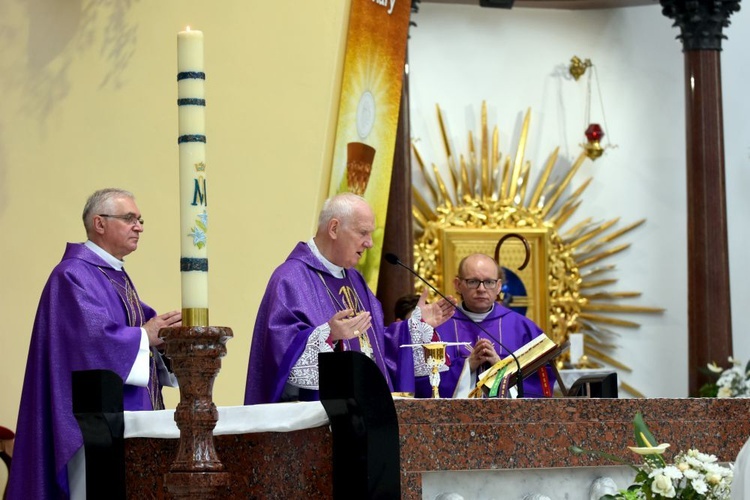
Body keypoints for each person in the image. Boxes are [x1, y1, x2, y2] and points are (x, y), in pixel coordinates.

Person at [7, 188, 181, 500]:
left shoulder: (111, 275)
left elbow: (139, 329)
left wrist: (168, 340)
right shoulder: (73, 275)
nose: (139, 226)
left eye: (140, 220)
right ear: (99, 224)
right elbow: (92, 343)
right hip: (90, 429)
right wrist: (144, 335)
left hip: (122, 423)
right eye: (129, 219)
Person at [244, 193, 454, 405]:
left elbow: (376, 347)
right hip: (320, 422)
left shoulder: (354, 279)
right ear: (334, 228)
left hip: (367, 415)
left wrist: (414, 328)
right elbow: (278, 357)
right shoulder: (291, 279)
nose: (370, 243)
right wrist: (329, 335)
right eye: (363, 233)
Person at [415, 253, 555, 399]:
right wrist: (468, 365)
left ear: (499, 286)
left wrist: (501, 368)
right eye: (473, 281)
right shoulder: (437, 327)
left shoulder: (523, 328)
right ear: (458, 285)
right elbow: (423, 384)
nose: (481, 289)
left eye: (489, 282)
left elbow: (540, 383)